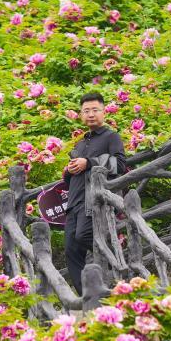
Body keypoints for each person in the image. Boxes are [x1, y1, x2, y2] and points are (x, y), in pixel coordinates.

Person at [62, 92, 127, 295]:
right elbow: (74, 175)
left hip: (94, 202)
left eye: (95, 110)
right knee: (71, 250)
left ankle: (118, 263)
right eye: (86, 111)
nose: (90, 114)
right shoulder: (80, 144)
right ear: (81, 115)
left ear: (104, 112)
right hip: (74, 201)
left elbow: (120, 164)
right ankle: (88, 296)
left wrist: (88, 162)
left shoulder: (111, 137)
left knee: (84, 235)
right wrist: (68, 171)